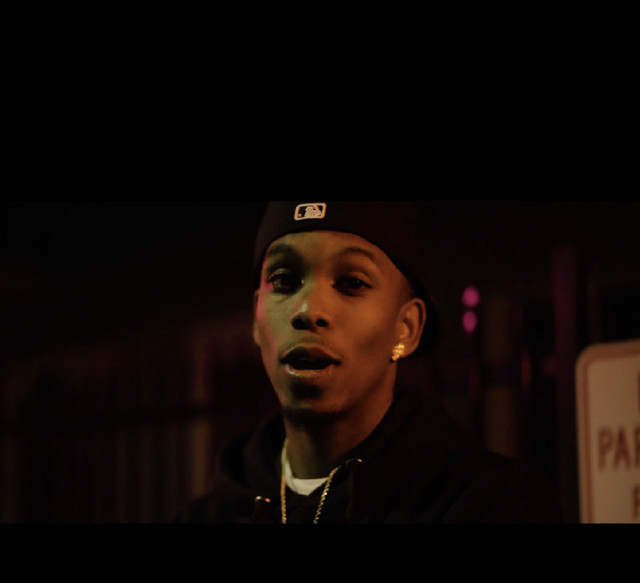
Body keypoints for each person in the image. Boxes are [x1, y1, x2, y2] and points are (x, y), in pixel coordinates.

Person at [175, 201, 564, 524]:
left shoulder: (489, 504)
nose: (309, 310)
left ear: (406, 327)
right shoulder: (207, 515)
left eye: (352, 283)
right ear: (256, 318)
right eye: (284, 280)